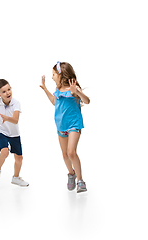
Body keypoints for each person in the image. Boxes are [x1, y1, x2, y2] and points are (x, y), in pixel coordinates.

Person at [40, 62, 90, 193]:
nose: (52, 77)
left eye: (54, 74)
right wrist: (45, 89)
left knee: (71, 152)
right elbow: (54, 102)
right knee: (65, 155)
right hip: (61, 125)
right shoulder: (58, 89)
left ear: (61, 75)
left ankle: (80, 181)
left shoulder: (73, 88)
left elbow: (87, 101)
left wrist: (77, 93)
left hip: (74, 124)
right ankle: (71, 174)